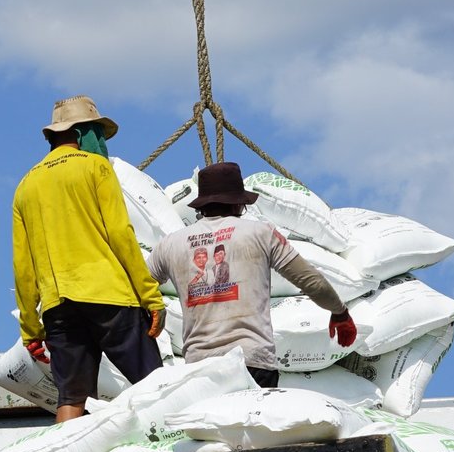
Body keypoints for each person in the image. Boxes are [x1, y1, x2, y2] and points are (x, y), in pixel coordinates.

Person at [12, 96, 166, 422]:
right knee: (156, 385)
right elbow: (121, 235)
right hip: (111, 298)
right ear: (82, 134)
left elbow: (23, 267)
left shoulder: (26, 185)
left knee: (70, 397)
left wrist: (31, 328)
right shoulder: (95, 167)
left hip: (59, 306)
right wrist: (151, 298)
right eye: (97, 132)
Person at [146, 161, 358, 387]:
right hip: (253, 363)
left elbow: (139, 284)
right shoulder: (260, 233)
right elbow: (310, 281)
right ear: (239, 204)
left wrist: (154, 307)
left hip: (199, 369)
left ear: (201, 206)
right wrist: (340, 313)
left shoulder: (170, 244)